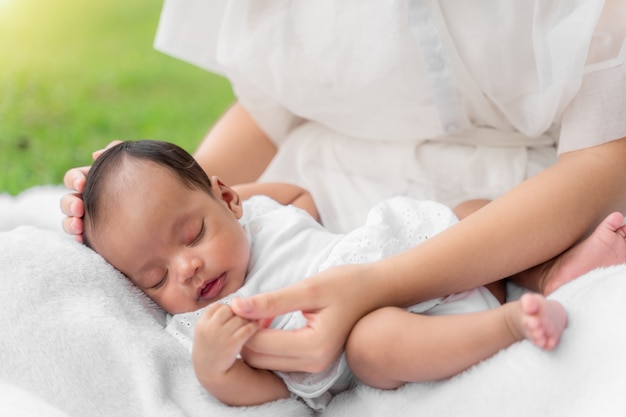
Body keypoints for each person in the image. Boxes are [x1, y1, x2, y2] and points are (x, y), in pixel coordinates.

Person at [61, 1, 626, 376]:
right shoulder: (200, 323)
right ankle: (504, 324)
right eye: (155, 276)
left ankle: (547, 274)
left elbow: (296, 201)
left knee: (470, 212)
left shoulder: (251, 221)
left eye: (193, 234)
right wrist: (137, 202)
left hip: (466, 225)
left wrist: (176, 199)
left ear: (228, 199)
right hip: (362, 315)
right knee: (373, 345)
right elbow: (268, 104)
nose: (184, 268)